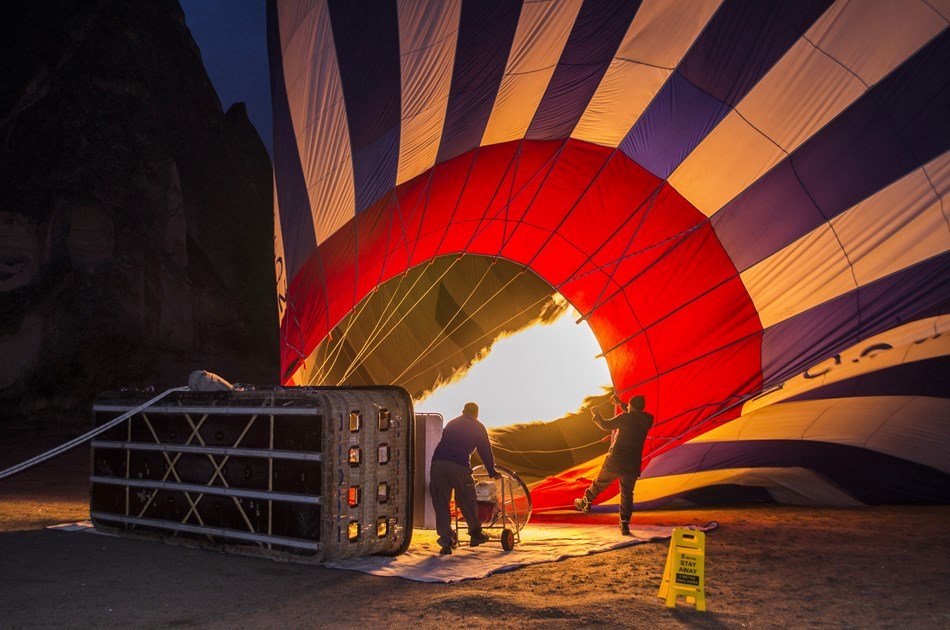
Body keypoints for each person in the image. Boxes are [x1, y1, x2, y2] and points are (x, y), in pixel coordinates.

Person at [574, 393, 654, 536]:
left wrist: (596, 414)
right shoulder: (647, 419)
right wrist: (619, 403)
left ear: (631, 407)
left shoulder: (625, 418)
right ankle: (624, 524)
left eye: (628, 405)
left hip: (615, 461)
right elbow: (633, 415)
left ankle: (585, 502)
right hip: (632, 465)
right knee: (627, 494)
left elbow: (605, 425)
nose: (627, 407)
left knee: (599, 484)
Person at [429, 402, 500, 555]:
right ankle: (476, 534)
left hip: (437, 464)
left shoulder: (452, 423)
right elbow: (485, 450)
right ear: (476, 414)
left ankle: (446, 541)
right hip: (458, 465)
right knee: (467, 499)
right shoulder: (477, 426)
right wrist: (491, 471)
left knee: (441, 504)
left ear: (462, 411)